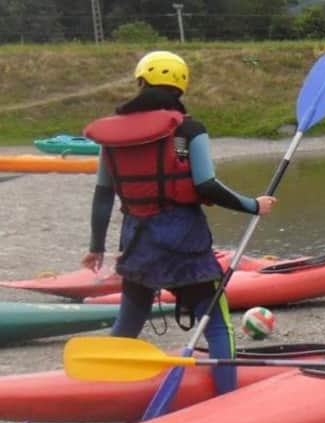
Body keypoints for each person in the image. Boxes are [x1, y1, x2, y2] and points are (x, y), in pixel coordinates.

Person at [80, 51, 277, 395]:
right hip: (184, 241)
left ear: (140, 82)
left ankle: (98, 392)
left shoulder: (112, 135)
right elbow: (206, 185)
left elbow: (103, 195)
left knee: (129, 322)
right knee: (217, 324)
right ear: (181, 87)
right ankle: (228, 398)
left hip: (137, 240)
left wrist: (96, 247)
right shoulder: (189, 130)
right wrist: (253, 206)